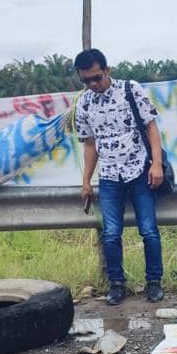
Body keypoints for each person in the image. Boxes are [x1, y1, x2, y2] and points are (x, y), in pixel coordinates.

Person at [73, 48, 165, 305]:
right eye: (86, 80)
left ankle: (154, 282)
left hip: (139, 169)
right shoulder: (85, 103)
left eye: (97, 77)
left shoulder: (130, 89)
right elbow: (89, 144)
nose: (92, 84)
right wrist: (86, 181)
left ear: (107, 70)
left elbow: (151, 126)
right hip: (110, 175)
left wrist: (156, 164)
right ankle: (116, 284)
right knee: (111, 233)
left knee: (148, 230)